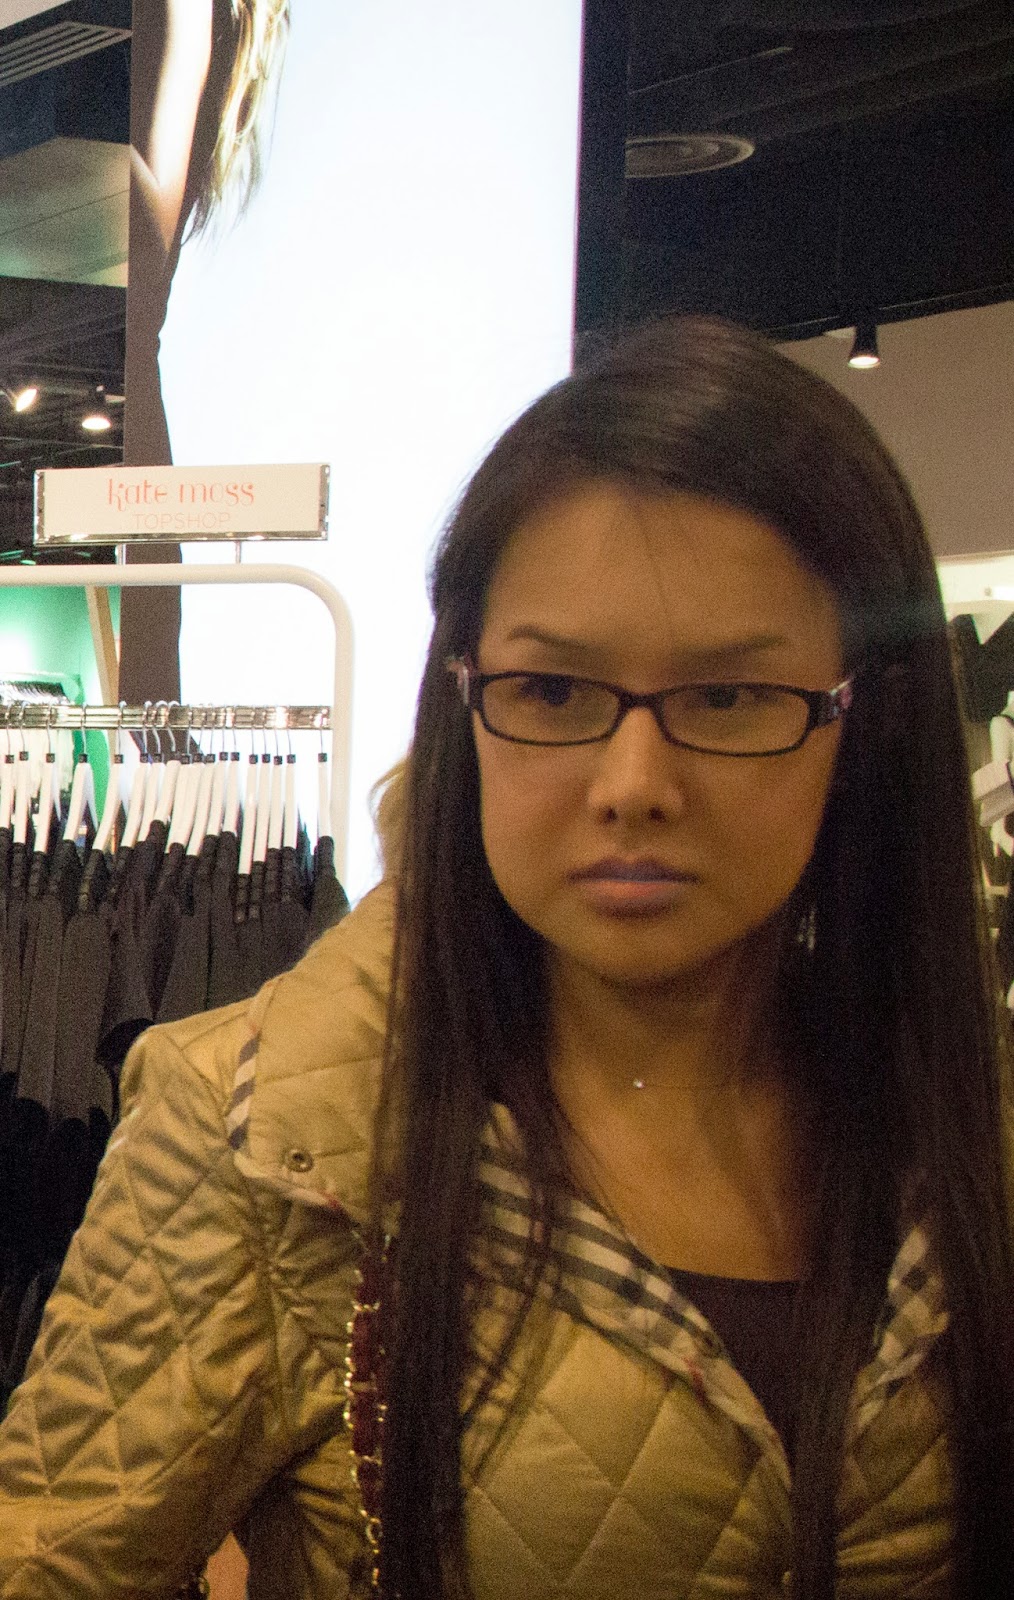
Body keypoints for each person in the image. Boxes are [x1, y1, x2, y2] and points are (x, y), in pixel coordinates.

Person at [1, 315, 1012, 1598]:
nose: (633, 783)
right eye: (553, 692)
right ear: (466, 699)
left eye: (727, 697)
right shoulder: (266, 1141)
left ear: (861, 720)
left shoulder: (958, 1123)